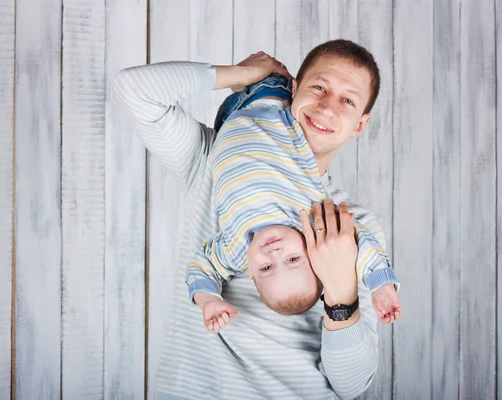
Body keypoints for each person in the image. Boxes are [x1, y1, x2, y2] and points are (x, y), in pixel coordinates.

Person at [114, 39, 392, 400]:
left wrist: (340, 294)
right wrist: (242, 75)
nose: (326, 107)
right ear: (294, 90)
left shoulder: (352, 223)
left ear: (360, 124)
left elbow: (352, 385)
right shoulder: (215, 160)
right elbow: (133, 88)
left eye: (347, 100)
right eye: (319, 87)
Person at [185, 71, 401, 333]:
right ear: (312, 252)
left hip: (233, 114)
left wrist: (208, 299)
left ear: (250, 272)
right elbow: (360, 246)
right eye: (293, 260)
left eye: (266, 268)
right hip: (274, 99)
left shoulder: (234, 252)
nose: (275, 254)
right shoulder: (309, 220)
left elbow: (201, 269)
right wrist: (381, 285)